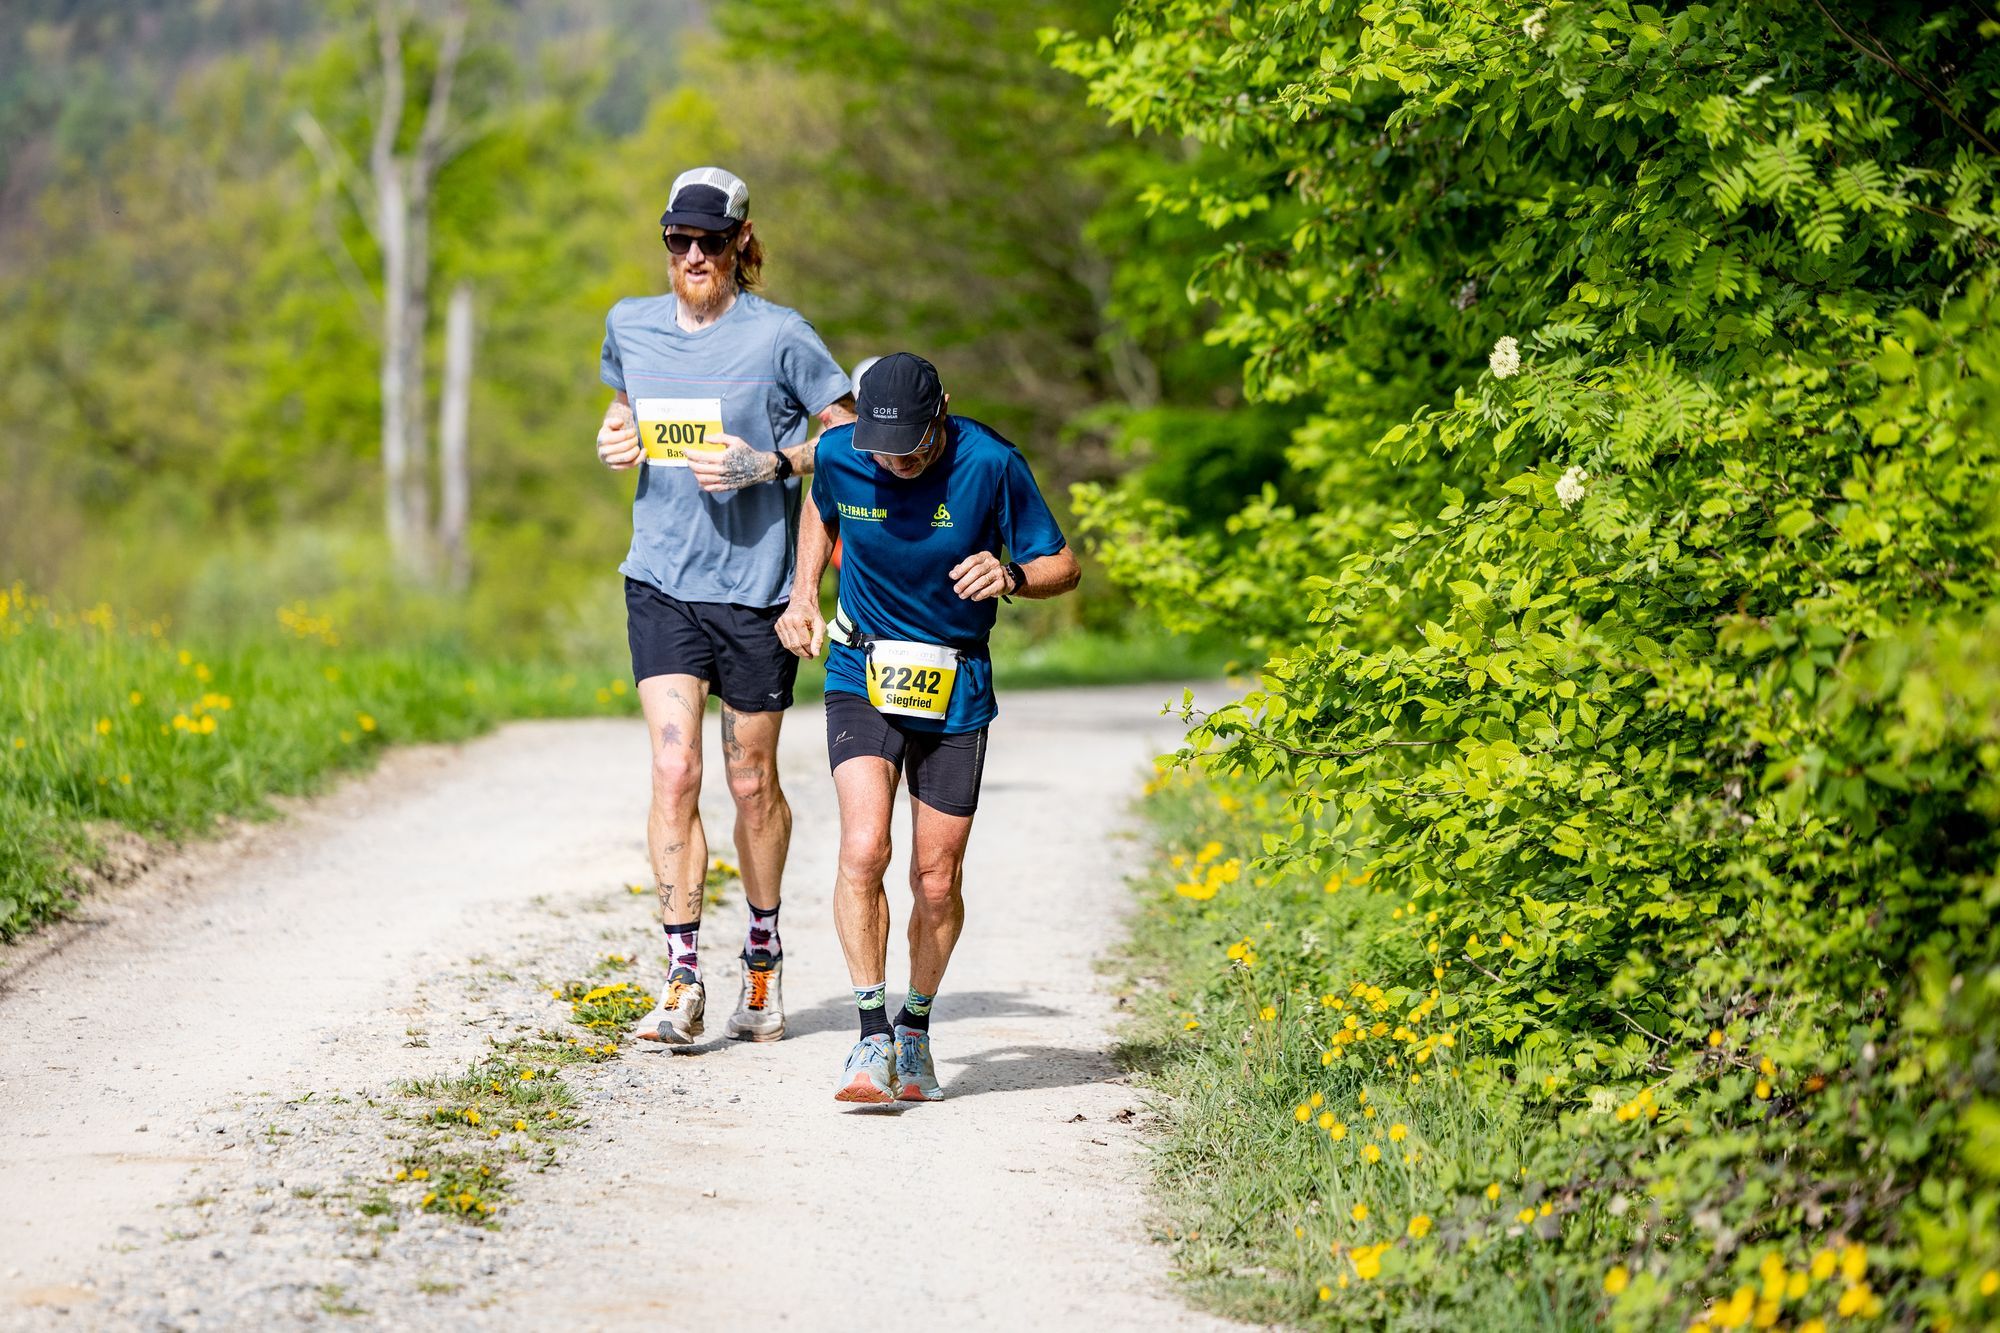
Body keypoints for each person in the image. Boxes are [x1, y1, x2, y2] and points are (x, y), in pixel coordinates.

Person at [594, 166, 856, 1047]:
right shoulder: (628, 323)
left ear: (743, 240)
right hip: (661, 578)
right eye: (679, 240)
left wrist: (772, 464)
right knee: (675, 773)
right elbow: (626, 408)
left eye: (711, 240)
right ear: (665, 242)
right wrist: (615, 434)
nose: (694, 255)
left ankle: (763, 952)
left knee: (750, 783)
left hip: (753, 590)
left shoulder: (781, 336)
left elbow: (854, 437)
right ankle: (679, 978)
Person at [776, 353, 1080, 1101]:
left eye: (912, 445)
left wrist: (1010, 576)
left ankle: (915, 1028)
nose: (898, 461)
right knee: (863, 848)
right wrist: (802, 597)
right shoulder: (848, 454)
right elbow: (822, 505)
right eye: (885, 448)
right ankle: (869, 1036)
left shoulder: (991, 462)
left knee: (936, 881)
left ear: (943, 411)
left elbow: (1063, 564)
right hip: (862, 668)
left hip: (955, 679)